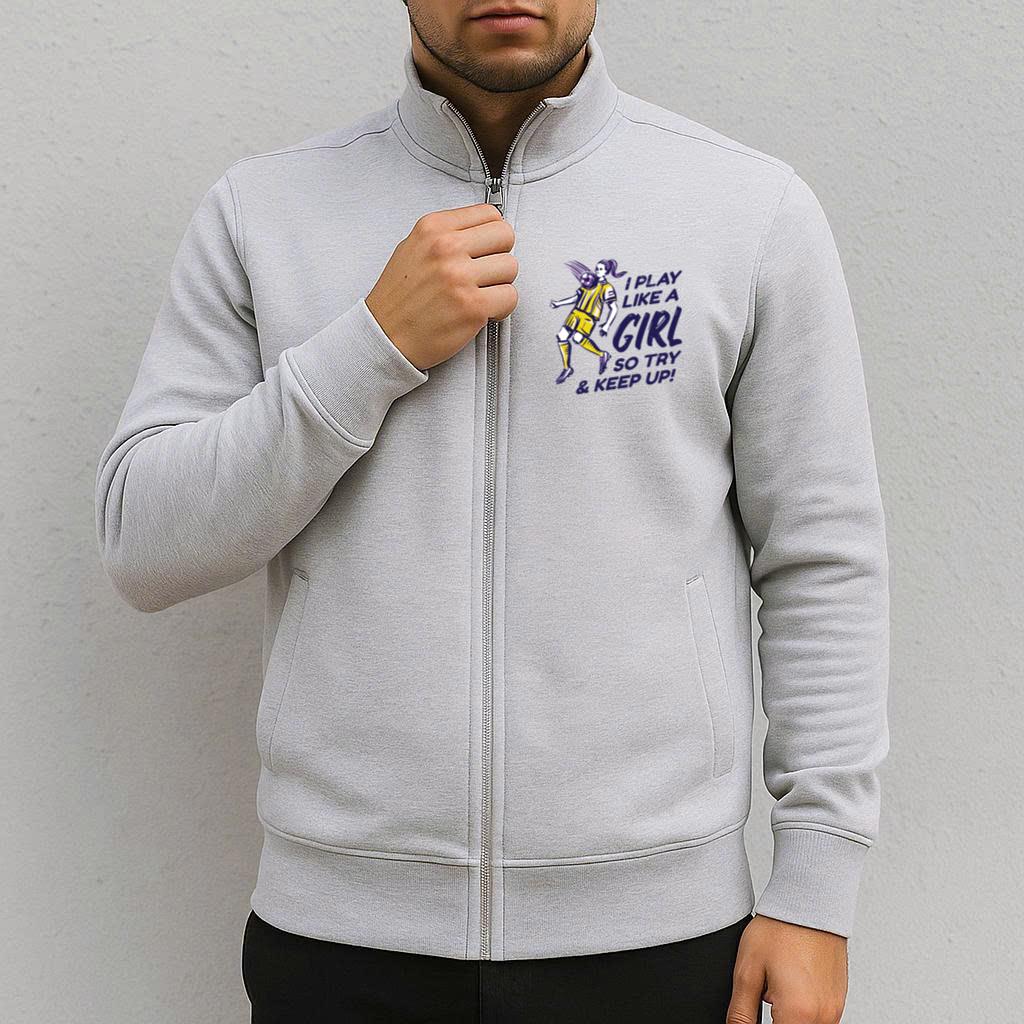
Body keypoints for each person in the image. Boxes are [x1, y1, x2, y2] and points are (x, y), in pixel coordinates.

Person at [94, 1, 890, 1021]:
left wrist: (816, 887)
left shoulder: (747, 209)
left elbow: (820, 557)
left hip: (656, 937)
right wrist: (371, 346)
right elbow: (145, 542)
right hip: (340, 942)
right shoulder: (264, 210)